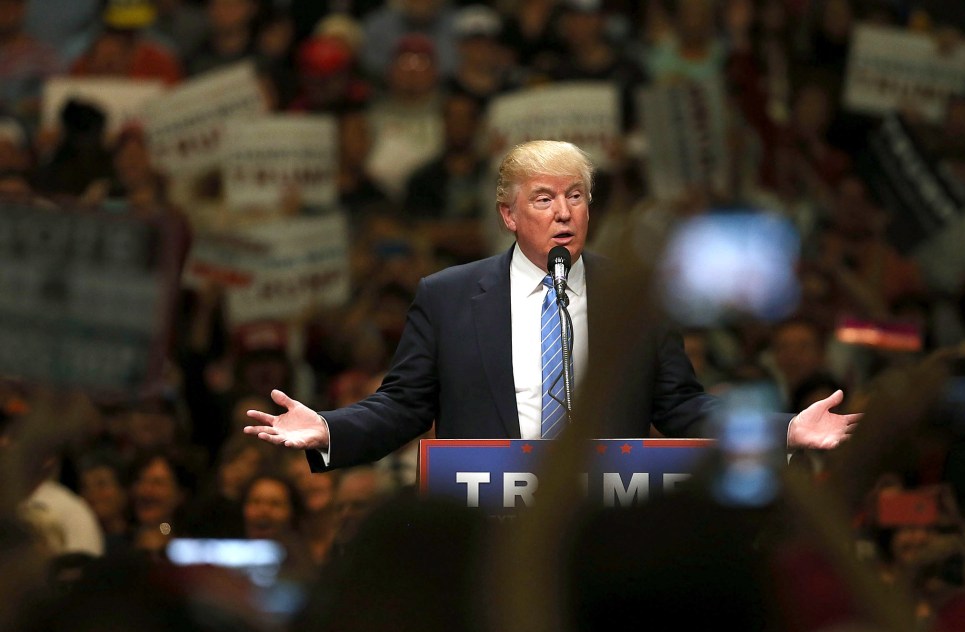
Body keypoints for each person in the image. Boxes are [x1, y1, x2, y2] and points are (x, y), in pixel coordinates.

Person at [245, 140, 860, 472]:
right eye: (543, 198)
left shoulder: (635, 301)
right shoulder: (449, 296)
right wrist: (330, 428)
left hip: (598, 523)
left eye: (576, 196)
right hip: (486, 524)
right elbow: (404, 406)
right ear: (508, 216)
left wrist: (780, 431)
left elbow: (681, 409)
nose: (564, 212)